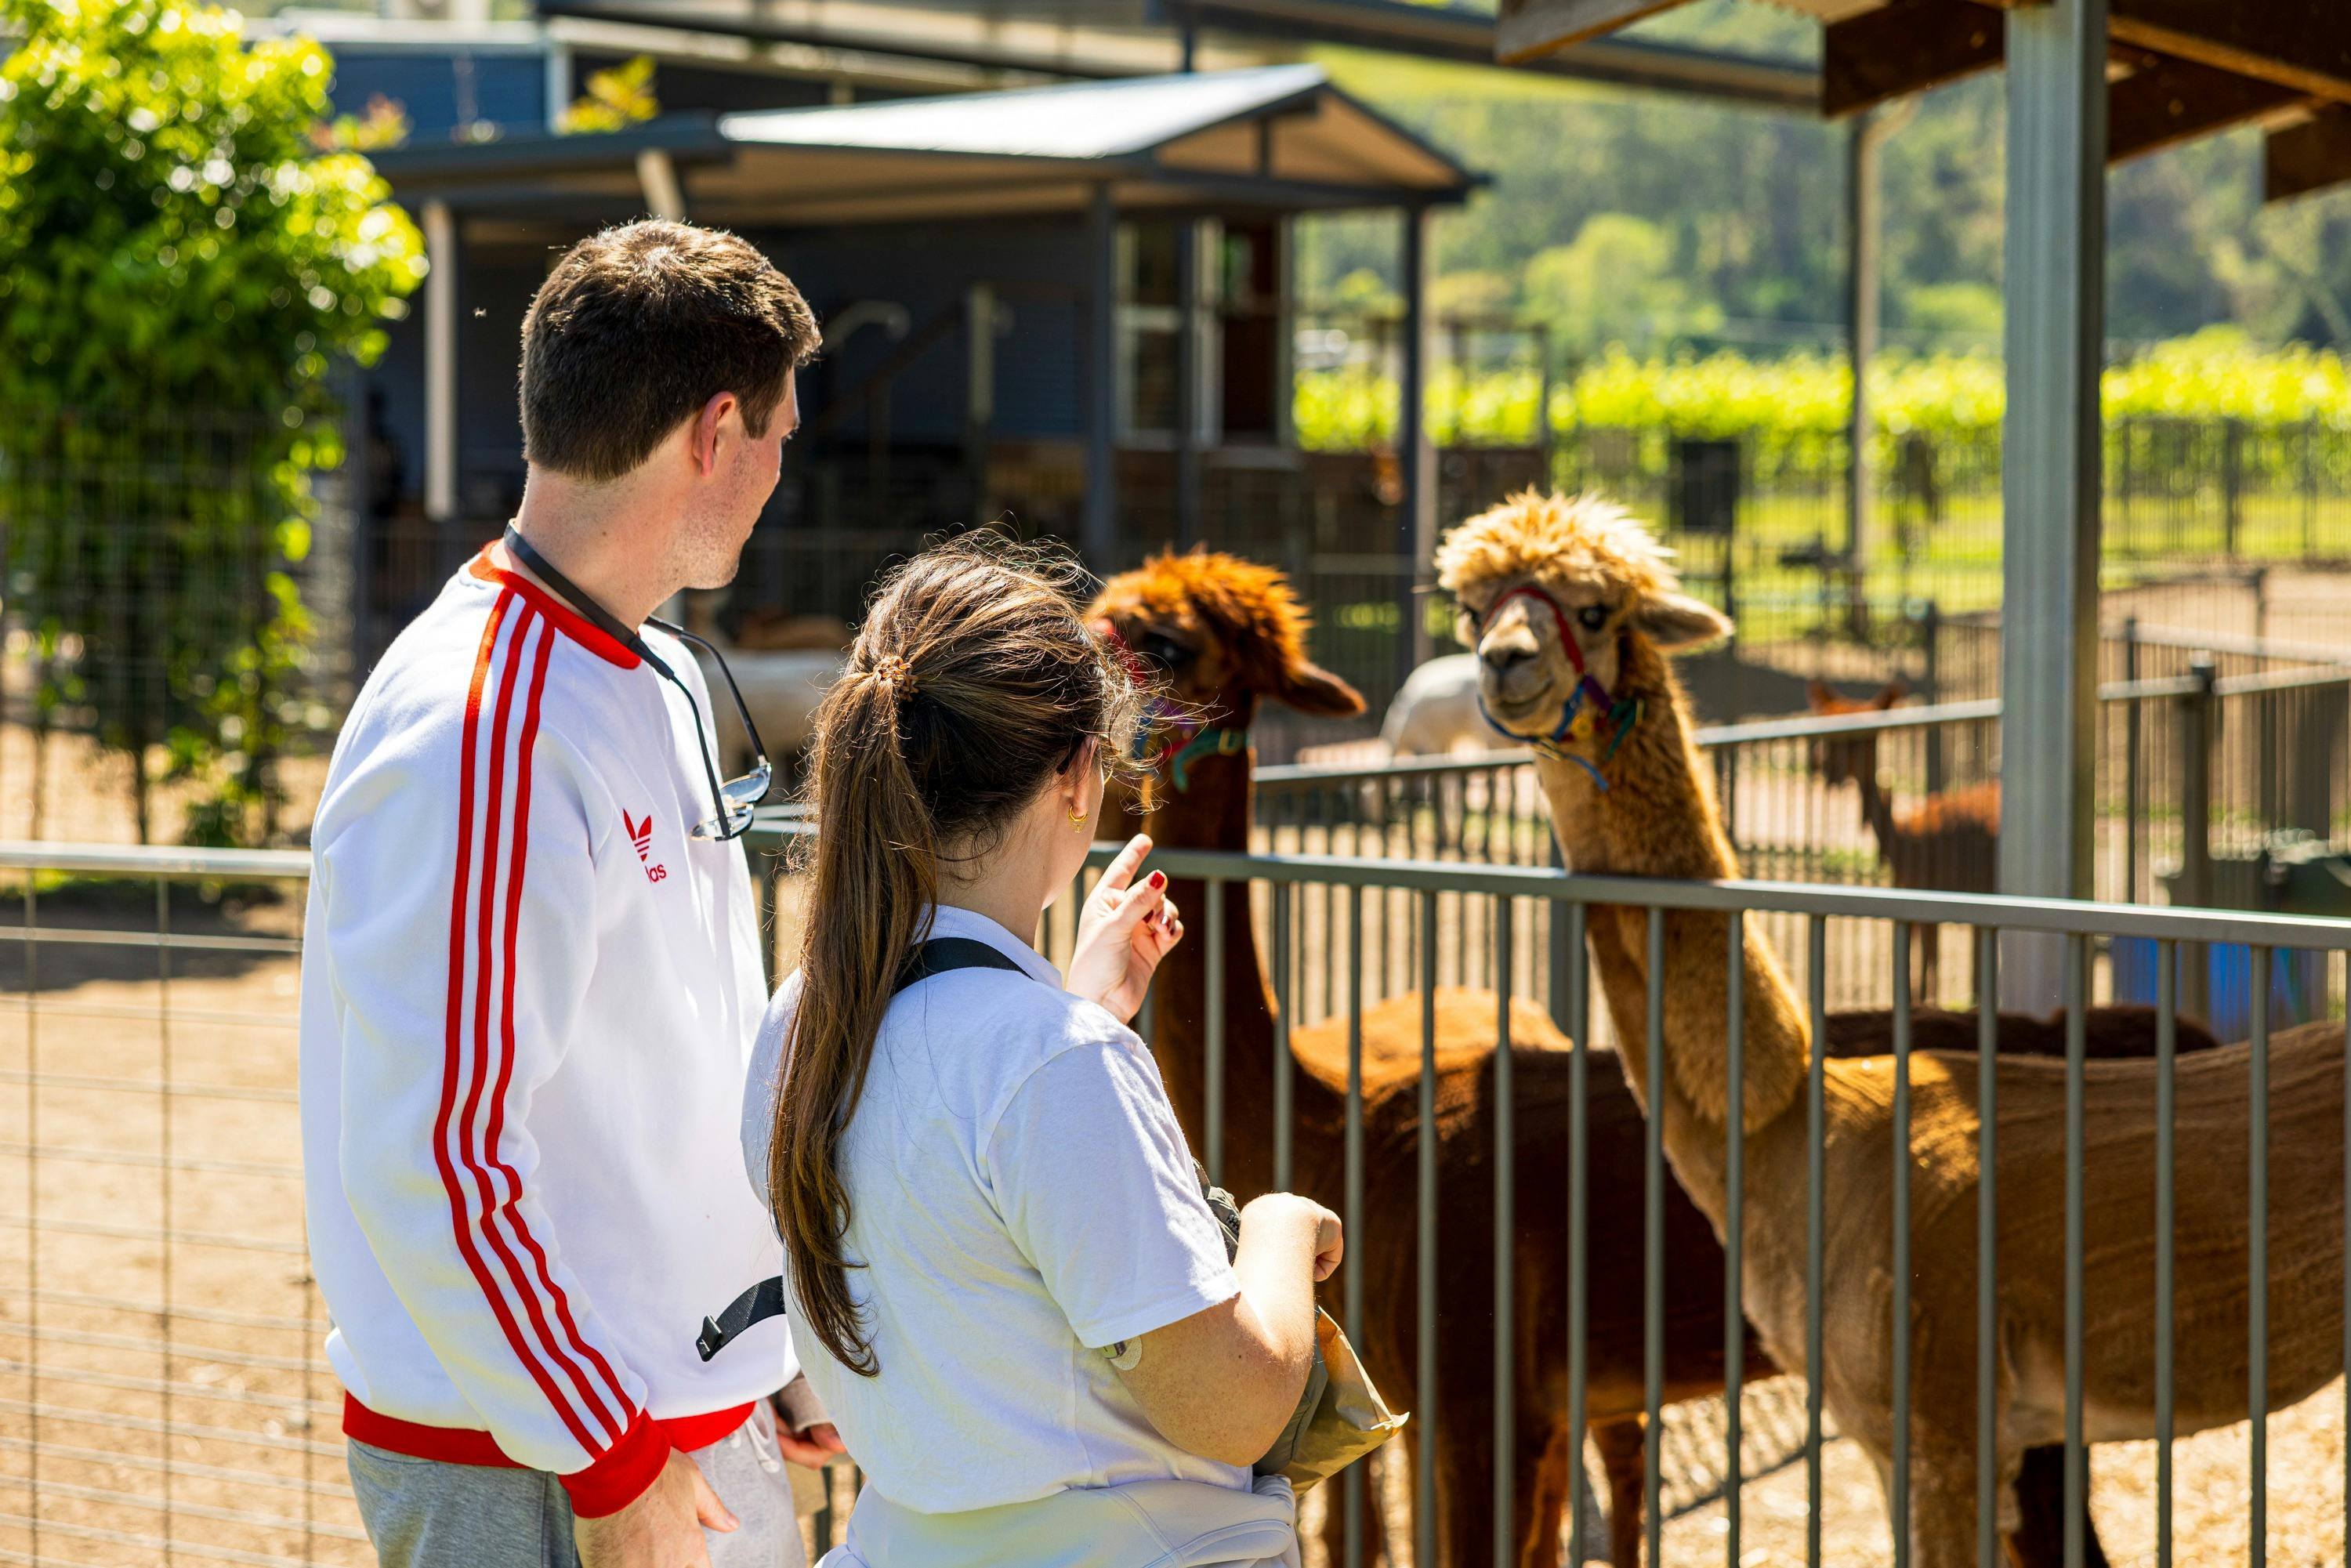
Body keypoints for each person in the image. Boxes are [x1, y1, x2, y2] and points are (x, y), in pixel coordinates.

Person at [300, 219, 837, 1568]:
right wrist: (609, 1463)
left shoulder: (640, 670)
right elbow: (439, 1152)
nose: (782, 466)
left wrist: (762, 1330)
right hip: (550, 1455)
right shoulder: (489, 727)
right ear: (715, 431)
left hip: (661, 1413)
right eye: (776, 428)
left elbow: (664, 1062)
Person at [743, 539, 1342, 1567]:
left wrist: (1080, 1016)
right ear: (1077, 777)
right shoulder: (1048, 1064)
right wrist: (1281, 1228)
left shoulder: (802, 1022)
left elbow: (969, 1221)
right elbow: (1232, 1406)